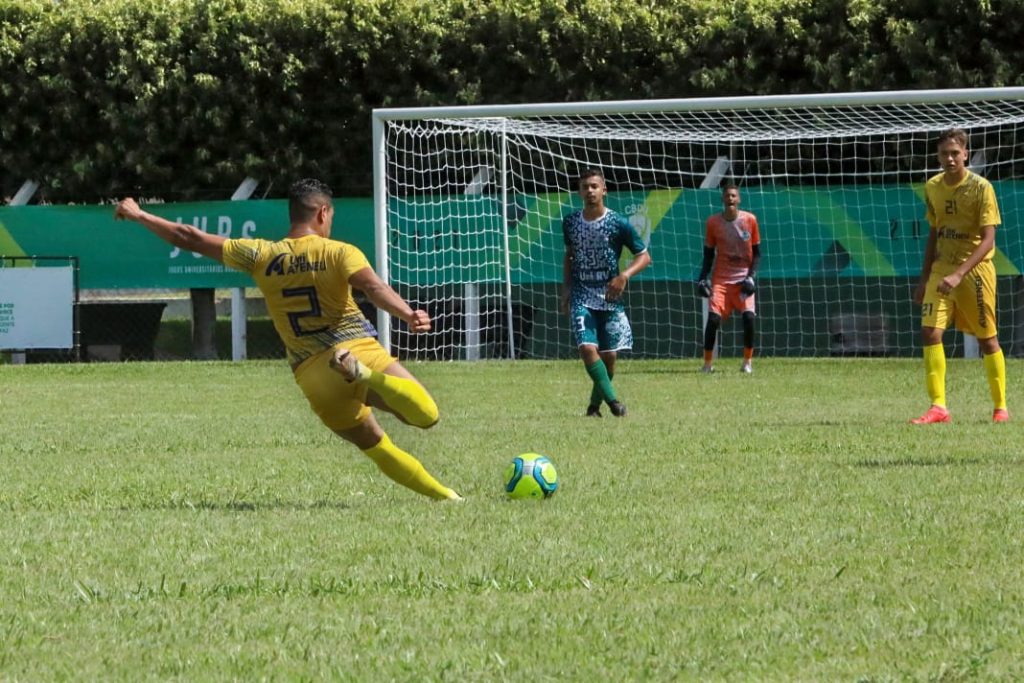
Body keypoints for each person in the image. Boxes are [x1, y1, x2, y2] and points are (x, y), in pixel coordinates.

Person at [114, 179, 463, 500]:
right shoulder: (339, 252)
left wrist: (139, 213)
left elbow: (187, 237)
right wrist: (407, 314)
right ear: (323, 212)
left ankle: (447, 498)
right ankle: (367, 376)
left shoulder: (261, 255)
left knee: (376, 445)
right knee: (425, 416)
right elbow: (372, 287)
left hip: (311, 373)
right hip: (353, 348)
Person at [911, 128, 1008, 424]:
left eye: (955, 153)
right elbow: (934, 233)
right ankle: (938, 406)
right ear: (938, 157)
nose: (950, 159)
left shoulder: (981, 188)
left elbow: (988, 240)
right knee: (930, 332)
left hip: (974, 270)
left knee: (987, 339)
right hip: (942, 268)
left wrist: (959, 274)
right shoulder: (933, 187)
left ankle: (1000, 407)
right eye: (944, 154)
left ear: (965, 154)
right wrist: (925, 277)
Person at [561, 168, 651, 417]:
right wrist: (566, 288)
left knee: (609, 356)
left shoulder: (618, 223)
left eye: (594, 186)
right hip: (582, 294)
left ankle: (593, 408)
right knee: (588, 348)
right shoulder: (570, 222)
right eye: (585, 187)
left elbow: (643, 256)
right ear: (579, 192)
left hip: (609, 297)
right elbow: (569, 255)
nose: (590, 191)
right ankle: (614, 404)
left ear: (604, 190)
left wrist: (624, 276)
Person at [696, 183, 761, 374]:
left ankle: (747, 362)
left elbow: (757, 254)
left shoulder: (750, 220)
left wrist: (751, 277)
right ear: (722, 199)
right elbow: (708, 254)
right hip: (721, 280)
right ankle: (707, 365)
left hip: (743, 281)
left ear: (738, 199)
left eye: (734, 196)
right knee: (713, 320)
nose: (730, 198)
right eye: (727, 196)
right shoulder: (713, 223)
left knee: (749, 318)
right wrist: (702, 278)